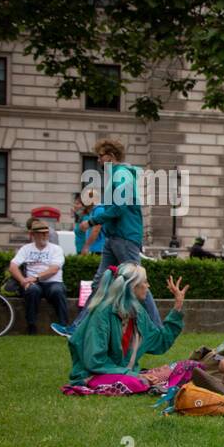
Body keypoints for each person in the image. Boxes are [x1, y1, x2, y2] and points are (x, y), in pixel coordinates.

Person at [56, 138, 161, 335]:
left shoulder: (121, 176)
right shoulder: (116, 176)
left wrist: (92, 221)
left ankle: (157, 328)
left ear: (111, 157)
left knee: (136, 282)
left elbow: (118, 208)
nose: (98, 160)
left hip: (124, 237)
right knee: (99, 284)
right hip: (114, 238)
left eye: (101, 156)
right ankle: (77, 328)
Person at [67, 265, 188, 390]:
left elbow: (160, 342)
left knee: (188, 367)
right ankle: (145, 383)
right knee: (137, 383)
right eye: (145, 282)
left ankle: (145, 381)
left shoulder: (139, 313)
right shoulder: (102, 314)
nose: (148, 286)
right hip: (96, 374)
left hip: (127, 374)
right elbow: (95, 361)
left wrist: (177, 306)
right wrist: (134, 376)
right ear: (132, 286)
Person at [10, 220, 68, 334]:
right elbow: (13, 266)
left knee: (58, 291)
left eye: (46, 233)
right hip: (33, 283)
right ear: (33, 234)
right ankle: (31, 326)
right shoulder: (26, 249)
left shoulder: (56, 249)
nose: (45, 235)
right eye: (41, 233)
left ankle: (63, 326)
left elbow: (54, 269)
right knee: (32, 290)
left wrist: (35, 277)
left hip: (53, 282)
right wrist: (23, 281)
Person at [72, 192, 103, 256]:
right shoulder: (93, 211)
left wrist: (86, 246)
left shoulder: (98, 210)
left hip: (99, 248)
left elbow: (96, 230)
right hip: (95, 248)